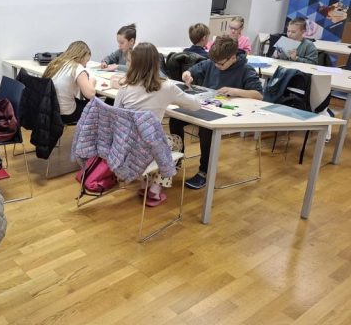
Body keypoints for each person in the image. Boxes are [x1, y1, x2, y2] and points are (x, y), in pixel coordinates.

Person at [169, 36, 263, 190]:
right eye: (215, 63)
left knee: (207, 130)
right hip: (208, 107)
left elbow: (258, 94)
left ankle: (204, 172)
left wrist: (235, 91)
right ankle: (177, 158)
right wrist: (187, 74)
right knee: (175, 120)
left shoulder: (246, 70)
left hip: (228, 114)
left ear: (233, 57)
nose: (217, 66)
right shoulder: (211, 63)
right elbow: (191, 71)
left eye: (221, 63)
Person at [114, 43, 201, 206]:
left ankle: (144, 183)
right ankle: (155, 188)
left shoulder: (125, 87)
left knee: (157, 143)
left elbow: (116, 115)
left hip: (126, 147)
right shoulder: (166, 87)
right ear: (156, 63)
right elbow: (195, 105)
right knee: (175, 142)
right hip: (149, 147)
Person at [42, 41, 96, 124]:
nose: (86, 64)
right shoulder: (77, 67)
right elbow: (91, 95)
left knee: (79, 100)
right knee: (95, 107)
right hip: (65, 114)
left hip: (48, 109)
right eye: (87, 60)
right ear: (83, 56)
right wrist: (92, 80)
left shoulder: (56, 63)